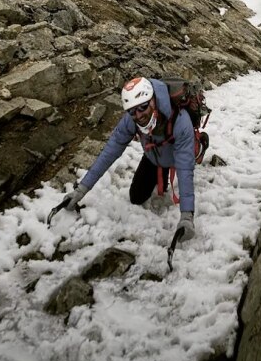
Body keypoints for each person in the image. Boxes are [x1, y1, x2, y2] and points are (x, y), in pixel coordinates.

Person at [52, 76, 196, 244]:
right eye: (132, 111)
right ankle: (161, 169)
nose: (138, 115)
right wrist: (81, 190)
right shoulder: (132, 119)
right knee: (136, 197)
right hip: (153, 155)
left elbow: (185, 169)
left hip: (176, 153)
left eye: (143, 107)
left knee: (186, 158)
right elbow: (110, 151)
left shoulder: (180, 122)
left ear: (153, 100)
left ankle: (200, 145)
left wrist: (187, 216)